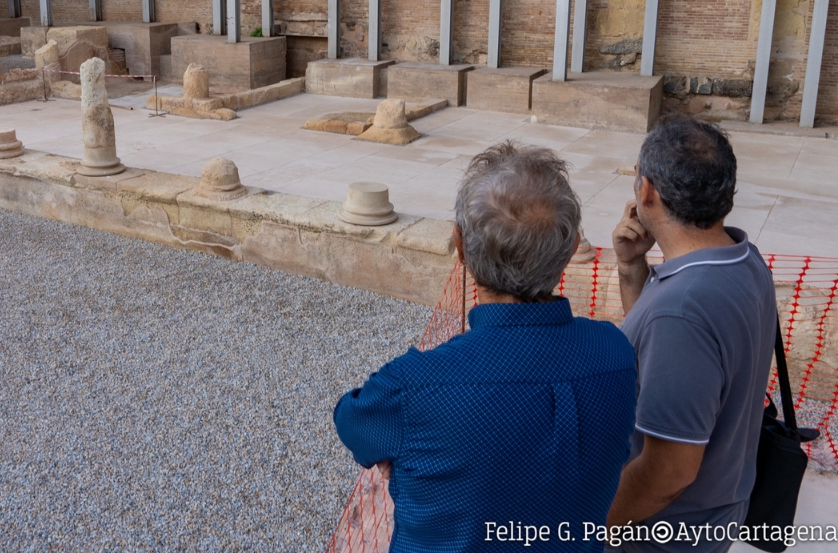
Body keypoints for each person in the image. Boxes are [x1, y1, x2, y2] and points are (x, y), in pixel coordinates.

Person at [333, 142, 637, 553]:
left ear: (461, 247)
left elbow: (353, 421)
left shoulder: (412, 387)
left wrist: (405, 450)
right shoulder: (615, 354)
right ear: (568, 252)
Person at [607, 116, 776, 552]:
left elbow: (669, 472)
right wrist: (632, 268)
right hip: (716, 514)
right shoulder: (745, 259)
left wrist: (592, 521)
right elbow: (658, 352)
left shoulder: (681, 313)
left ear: (646, 191)